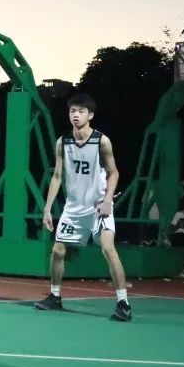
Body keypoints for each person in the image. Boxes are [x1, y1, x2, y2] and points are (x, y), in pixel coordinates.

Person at [34, 93, 131, 322]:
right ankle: (55, 297)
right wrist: (47, 208)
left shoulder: (101, 141)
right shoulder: (63, 142)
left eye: (81, 111)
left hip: (98, 206)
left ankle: (123, 304)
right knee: (58, 251)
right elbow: (57, 176)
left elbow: (114, 173)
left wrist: (107, 200)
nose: (76, 115)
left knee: (108, 249)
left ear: (90, 115)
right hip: (73, 208)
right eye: (72, 111)